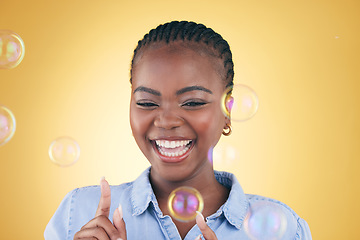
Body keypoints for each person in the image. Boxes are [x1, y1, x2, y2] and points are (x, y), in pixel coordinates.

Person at [44, 21, 312, 240]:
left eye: (193, 102)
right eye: (147, 103)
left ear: (228, 110)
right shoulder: (78, 212)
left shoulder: (286, 230)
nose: (166, 120)